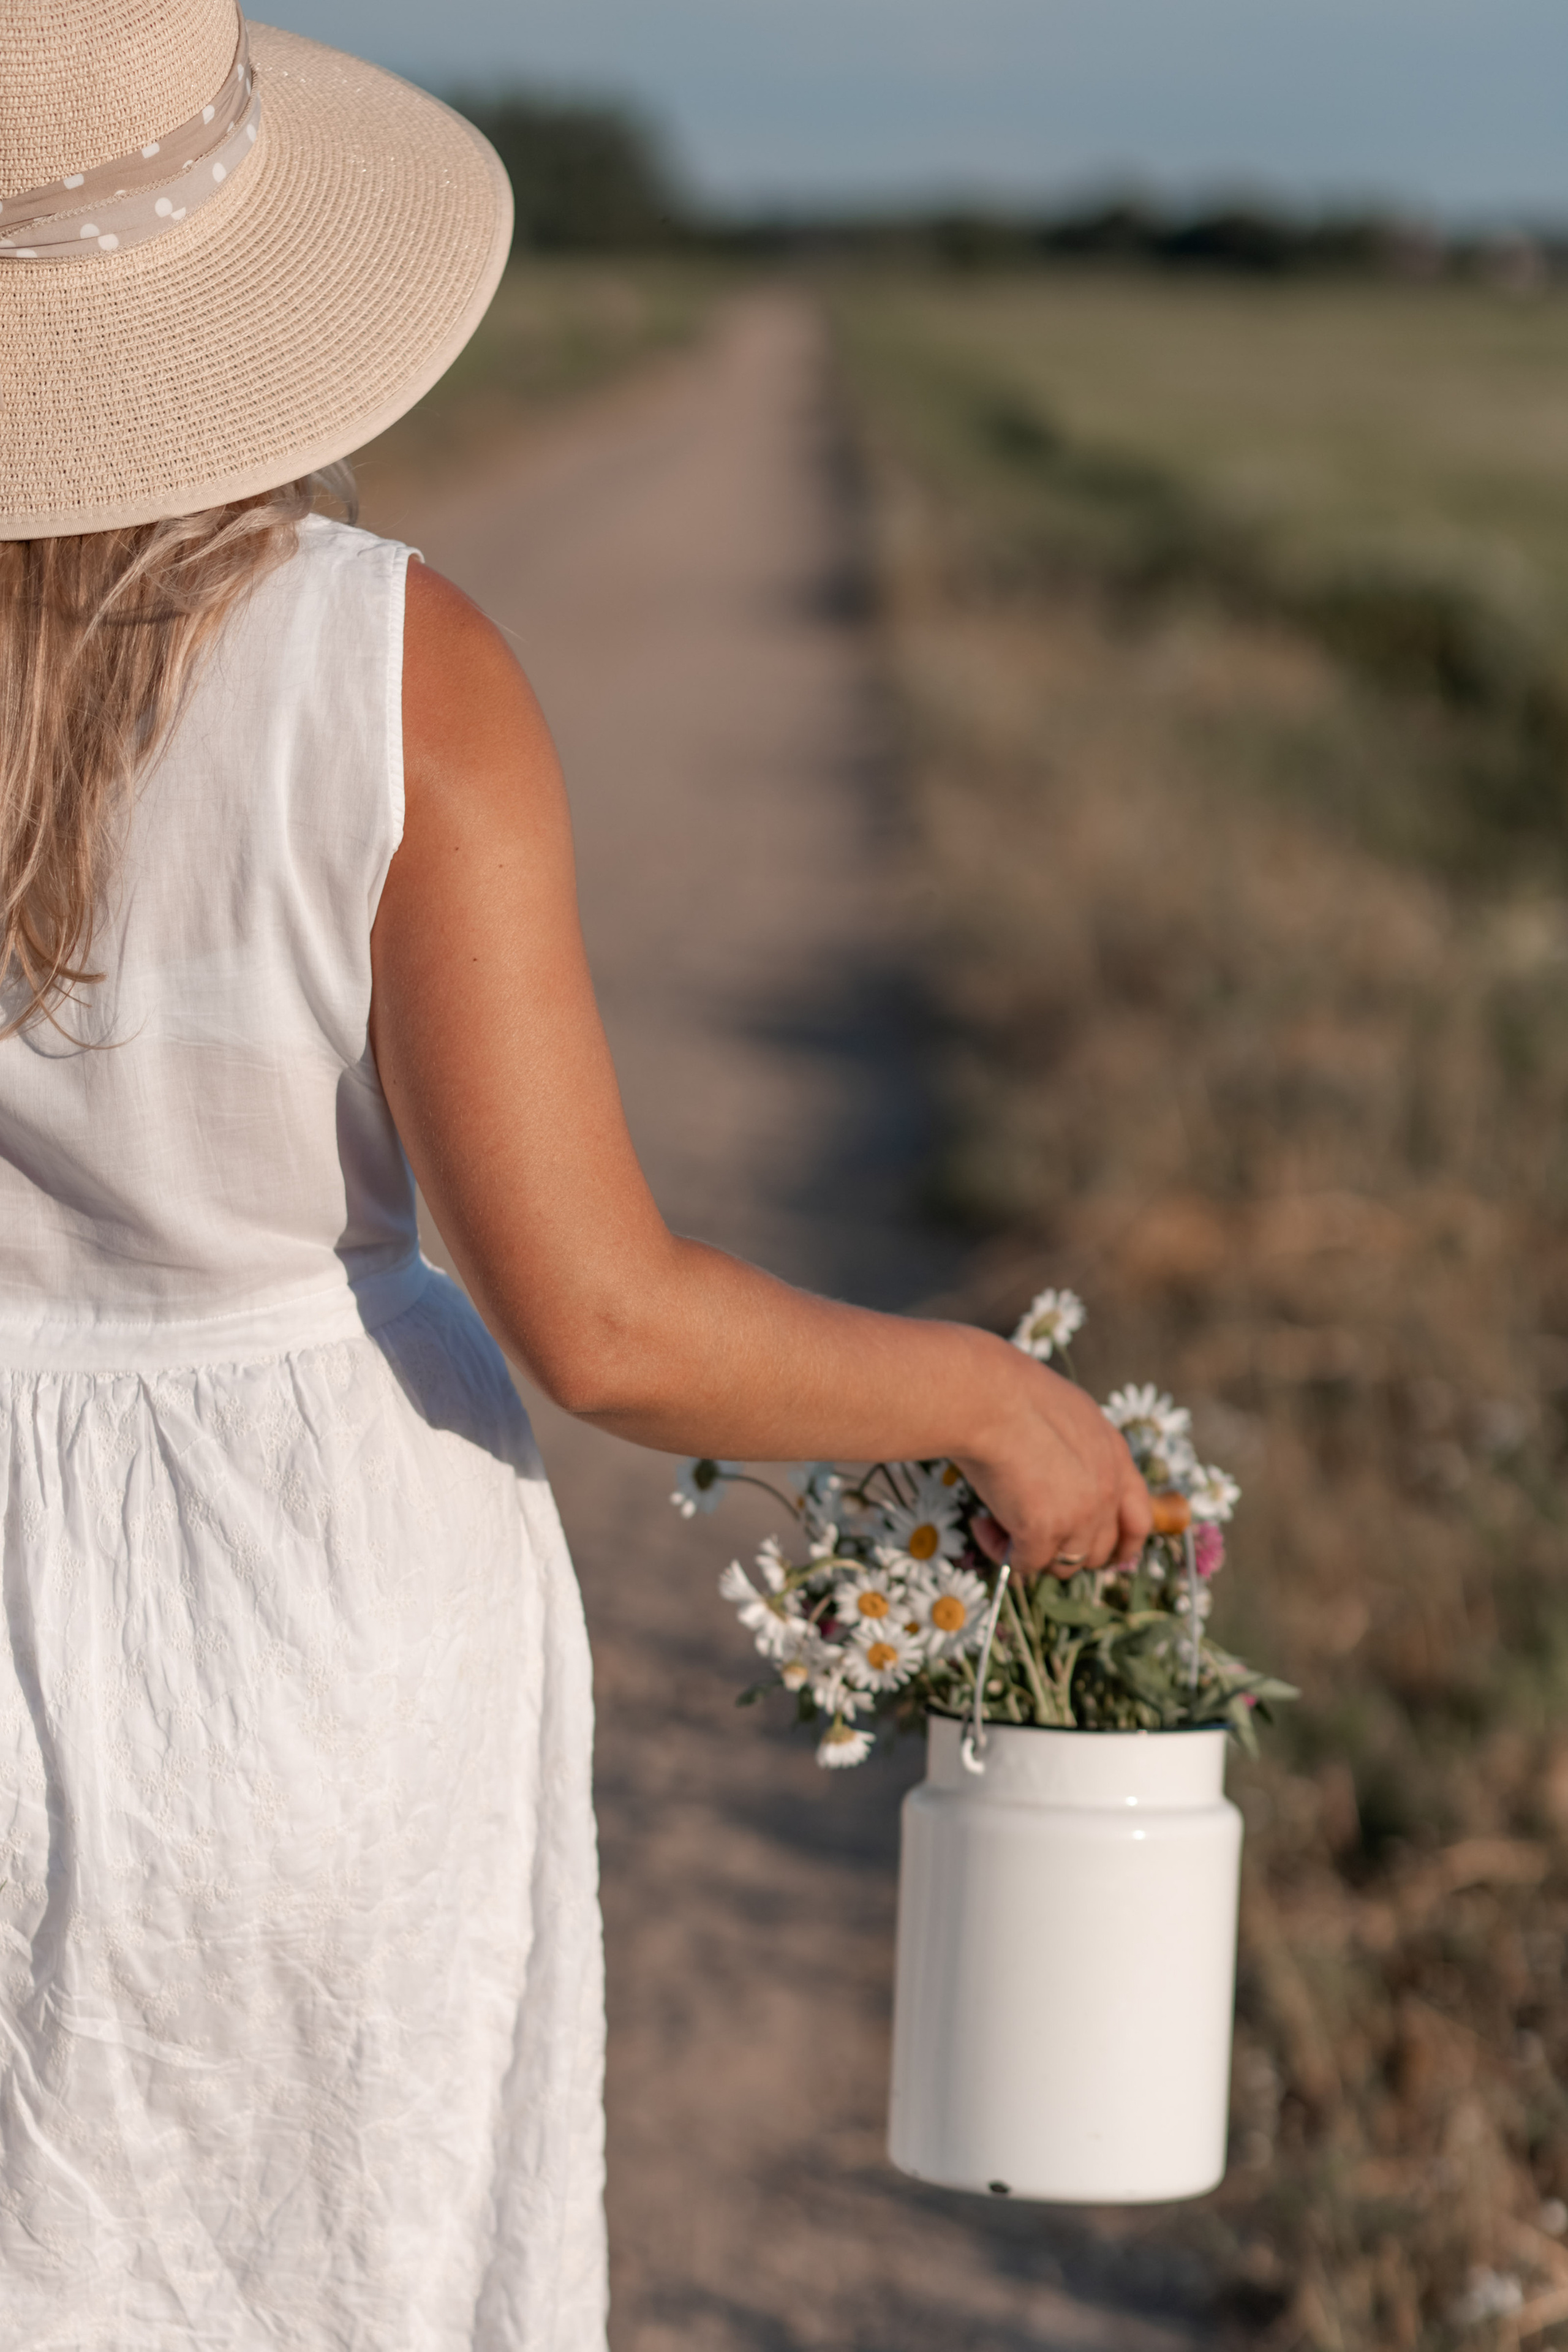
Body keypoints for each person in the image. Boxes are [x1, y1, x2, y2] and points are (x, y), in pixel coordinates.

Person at [0, 6, 1150, 2347]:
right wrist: (982, 1394)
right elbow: (599, 1320)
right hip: (312, 1624)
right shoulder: (386, 672)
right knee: (344, 2250)